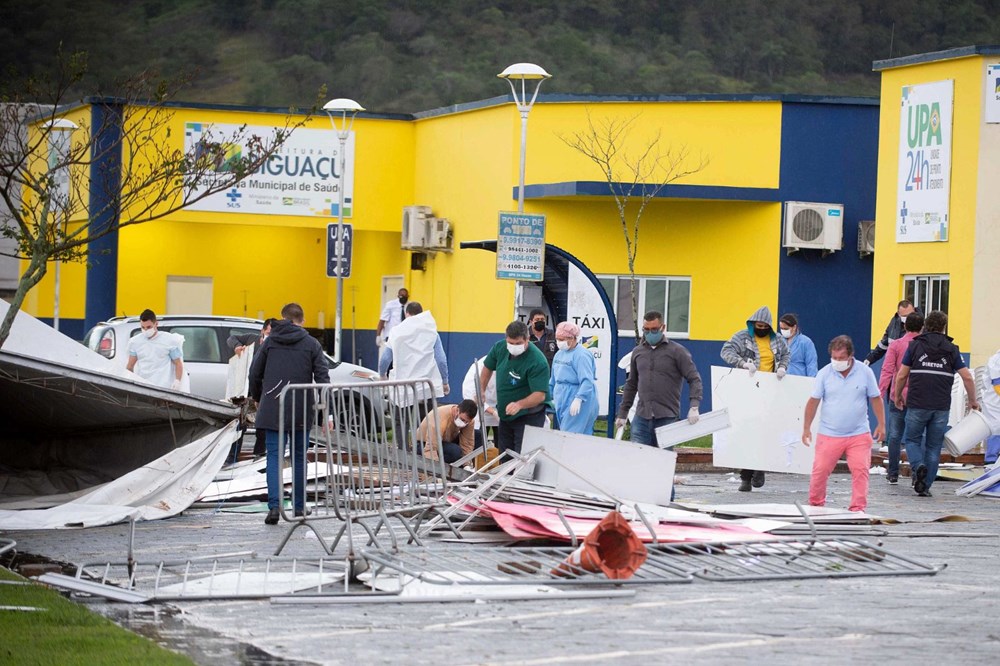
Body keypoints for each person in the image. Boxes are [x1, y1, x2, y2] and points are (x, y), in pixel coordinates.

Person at [249, 303, 329, 525]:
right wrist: (326, 413)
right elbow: (323, 378)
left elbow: (255, 372)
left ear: (283, 318)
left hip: (273, 406)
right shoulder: (311, 344)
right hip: (301, 408)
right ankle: (300, 507)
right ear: (302, 320)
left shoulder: (270, 341)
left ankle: (274, 507)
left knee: (274, 456)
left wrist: (257, 397)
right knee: (299, 456)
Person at [893, 310, 980, 497]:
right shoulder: (952, 349)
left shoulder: (914, 346)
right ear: (943, 327)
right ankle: (925, 486)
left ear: (925, 326)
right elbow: (967, 377)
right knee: (933, 447)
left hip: (917, 402)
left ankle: (918, 466)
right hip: (940, 406)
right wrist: (973, 401)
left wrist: (897, 395)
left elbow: (901, 375)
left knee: (912, 440)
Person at [802, 335, 885, 513]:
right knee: (820, 471)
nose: (837, 362)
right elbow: (813, 401)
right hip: (829, 433)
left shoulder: (865, 372)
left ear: (850, 356)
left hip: (859, 433)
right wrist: (806, 428)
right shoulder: (824, 373)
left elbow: (876, 398)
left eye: (841, 358)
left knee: (861, 471)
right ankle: (815, 505)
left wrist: (881, 424)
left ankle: (858, 508)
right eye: (834, 358)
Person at [720, 305, 790, 491]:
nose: (760, 329)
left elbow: (786, 355)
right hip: (747, 390)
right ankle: (746, 475)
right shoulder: (742, 337)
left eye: (764, 326)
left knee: (765, 431)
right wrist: (742, 363)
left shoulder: (777, 341)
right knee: (747, 431)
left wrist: (782, 367)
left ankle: (759, 468)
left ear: (768, 326)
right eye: (757, 326)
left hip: (770, 391)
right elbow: (726, 351)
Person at [615, 310, 702, 446]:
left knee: (663, 459)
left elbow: (694, 378)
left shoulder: (677, 352)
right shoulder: (638, 352)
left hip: (666, 416)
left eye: (654, 329)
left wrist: (694, 406)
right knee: (638, 458)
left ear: (663, 328)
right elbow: (631, 384)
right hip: (642, 416)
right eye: (646, 330)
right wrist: (623, 413)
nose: (650, 333)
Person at [379, 301, 449, 449]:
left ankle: (403, 449)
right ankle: (422, 450)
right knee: (425, 420)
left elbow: (385, 358)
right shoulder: (431, 331)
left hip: (402, 385)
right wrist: (444, 381)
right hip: (425, 385)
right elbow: (441, 359)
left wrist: (382, 375)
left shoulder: (397, 331)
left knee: (400, 420)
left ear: (407, 314)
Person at [480, 320, 552, 455]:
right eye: (510, 343)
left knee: (523, 456)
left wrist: (519, 404)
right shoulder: (499, 348)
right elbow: (487, 368)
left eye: (518, 343)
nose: (514, 346)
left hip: (529, 415)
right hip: (506, 414)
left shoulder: (537, 361)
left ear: (527, 339)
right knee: (505, 455)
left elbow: (539, 394)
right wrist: (481, 389)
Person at [877, 311, 924, 484]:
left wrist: (881, 392)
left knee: (895, 435)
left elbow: (887, 369)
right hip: (919, 396)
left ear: (904, 326)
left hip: (897, 394)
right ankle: (916, 472)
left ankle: (893, 472)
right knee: (915, 436)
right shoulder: (924, 345)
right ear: (922, 327)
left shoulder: (896, 345)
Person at [549, 321, 599, 434]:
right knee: (567, 431)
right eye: (557, 339)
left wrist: (579, 398)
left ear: (572, 338)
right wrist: (547, 395)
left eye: (562, 339)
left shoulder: (581, 355)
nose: (559, 342)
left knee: (571, 435)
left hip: (578, 398)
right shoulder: (559, 354)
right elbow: (553, 379)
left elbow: (587, 380)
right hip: (562, 396)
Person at [126, 309, 185, 391]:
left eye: (149, 327)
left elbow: (178, 363)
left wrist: (177, 381)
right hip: (143, 385)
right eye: (143, 327)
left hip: (163, 387)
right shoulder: (135, 342)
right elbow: (130, 366)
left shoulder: (169, 340)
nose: (146, 330)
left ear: (156, 324)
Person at [415, 399, 479, 464]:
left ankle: (464, 466)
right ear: (457, 410)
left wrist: (467, 464)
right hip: (424, 444)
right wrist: (436, 469)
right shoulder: (439, 418)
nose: (464, 423)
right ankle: (445, 466)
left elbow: (467, 444)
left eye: (467, 422)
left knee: (478, 435)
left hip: (445, 441)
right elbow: (431, 448)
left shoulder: (469, 421)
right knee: (455, 451)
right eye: (462, 419)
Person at [864, 299, 918, 366]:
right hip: (897, 368)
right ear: (899, 314)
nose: (908, 318)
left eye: (910, 315)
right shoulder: (894, 323)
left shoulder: (921, 324)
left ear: (914, 310)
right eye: (904, 316)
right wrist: (869, 359)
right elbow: (884, 344)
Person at [462, 356, 498, 449]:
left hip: (498, 406)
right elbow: (472, 395)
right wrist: (492, 411)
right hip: (478, 409)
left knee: (500, 441)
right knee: (478, 441)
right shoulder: (478, 368)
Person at [376, 287, 409, 366]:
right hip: (391, 336)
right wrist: (378, 335)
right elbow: (382, 320)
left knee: (401, 359)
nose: (403, 298)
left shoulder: (409, 306)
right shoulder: (390, 305)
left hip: (404, 336)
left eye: (405, 297)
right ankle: (387, 374)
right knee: (390, 358)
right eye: (401, 296)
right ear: (398, 296)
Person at [778, 313, 818, 377]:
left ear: (794, 327)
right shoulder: (778, 341)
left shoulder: (806, 342)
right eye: (781, 328)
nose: (783, 331)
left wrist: (812, 383)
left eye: (786, 329)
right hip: (779, 380)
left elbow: (811, 365)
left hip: (799, 381)